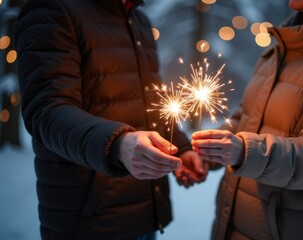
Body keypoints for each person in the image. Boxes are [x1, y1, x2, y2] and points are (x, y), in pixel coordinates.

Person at [15, 0, 207, 239]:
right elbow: (47, 111)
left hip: (144, 215)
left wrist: (181, 149)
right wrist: (117, 144)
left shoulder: (140, 21)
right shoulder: (52, 9)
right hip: (88, 222)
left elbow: (150, 103)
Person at [190, 0, 303, 239]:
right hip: (233, 222)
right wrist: (207, 152)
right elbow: (246, 115)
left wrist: (244, 152)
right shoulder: (282, 42)